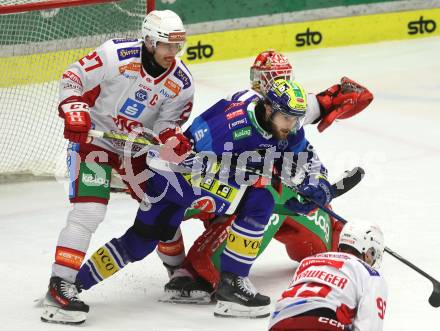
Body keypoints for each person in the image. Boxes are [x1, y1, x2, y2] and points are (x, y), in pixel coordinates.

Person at [74, 78, 336, 319]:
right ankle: (232, 286)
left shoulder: (287, 129)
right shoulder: (231, 124)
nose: (291, 126)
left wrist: (319, 186)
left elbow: (305, 159)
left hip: (187, 181)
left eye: (296, 119)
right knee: (259, 202)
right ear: (268, 108)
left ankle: (71, 283)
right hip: (178, 177)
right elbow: (189, 161)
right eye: (286, 118)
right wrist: (251, 173)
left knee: (139, 242)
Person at [161, 49, 373, 303]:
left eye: (278, 78)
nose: (267, 84)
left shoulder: (286, 108)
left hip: (242, 193)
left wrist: (320, 184)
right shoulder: (244, 108)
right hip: (215, 185)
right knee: (263, 199)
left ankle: (189, 271)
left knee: (316, 241)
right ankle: (198, 272)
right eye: (265, 77)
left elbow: (306, 153)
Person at [41, 10, 194, 325]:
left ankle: (179, 272)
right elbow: (73, 77)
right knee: (89, 212)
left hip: (137, 151)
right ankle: (60, 284)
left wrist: (171, 140)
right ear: (149, 40)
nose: (172, 54)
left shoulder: (182, 83)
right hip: (96, 143)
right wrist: (74, 107)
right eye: (166, 45)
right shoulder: (116, 54)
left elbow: (166, 126)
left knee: (164, 207)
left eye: (177, 47)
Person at [268, 222, 387, 331]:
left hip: (279, 321)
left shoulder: (307, 262)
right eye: (373, 254)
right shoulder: (371, 274)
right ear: (368, 251)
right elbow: (369, 326)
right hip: (323, 322)